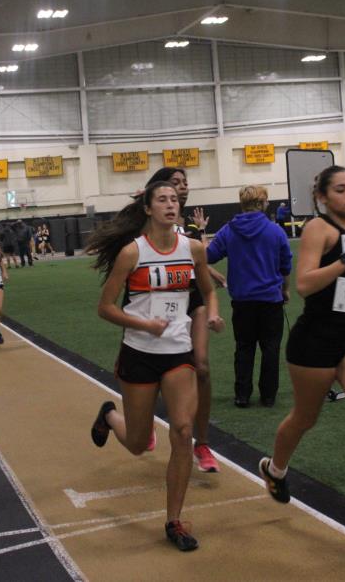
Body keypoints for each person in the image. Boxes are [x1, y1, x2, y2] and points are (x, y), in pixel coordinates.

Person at [257, 165, 345, 549]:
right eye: (341, 189)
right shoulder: (318, 229)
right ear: (322, 197)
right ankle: (275, 469)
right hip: (315, 340)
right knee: (305, 418)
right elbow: (305, 284)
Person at [86, 180, 224, 552]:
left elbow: (208, 290)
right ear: (148, 208)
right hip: (140, 352)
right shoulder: (132, 253)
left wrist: (212, 313)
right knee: (137, 443)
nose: (170, 204)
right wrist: (145, 325)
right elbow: (105, 308)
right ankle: (110, 416)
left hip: (178, 352)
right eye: (162, 199)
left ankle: (174, 520)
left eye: (174, 199)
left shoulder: (193, 248)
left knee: (182, 430)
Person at [145, 167, 224, 473]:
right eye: (175, 182)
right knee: (157, 367)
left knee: (201, 366)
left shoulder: (188, 224)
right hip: (156, 300)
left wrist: (212, 278)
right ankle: (145, 421)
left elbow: (197, 257)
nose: (182, 187)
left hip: (192, 299)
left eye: (184, 182)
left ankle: (202, 443)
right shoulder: (149, 223)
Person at [207, 185, 292, 407]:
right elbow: (285, 266)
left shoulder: (228, 230)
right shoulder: (275, 231)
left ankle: (242, 395)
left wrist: (200, 236)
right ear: (261, 203)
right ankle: (268, 395)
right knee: (270, 349)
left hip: (242, 301)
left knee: (244, 348)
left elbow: (209, 255)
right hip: (270, 300)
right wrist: (285, 290)